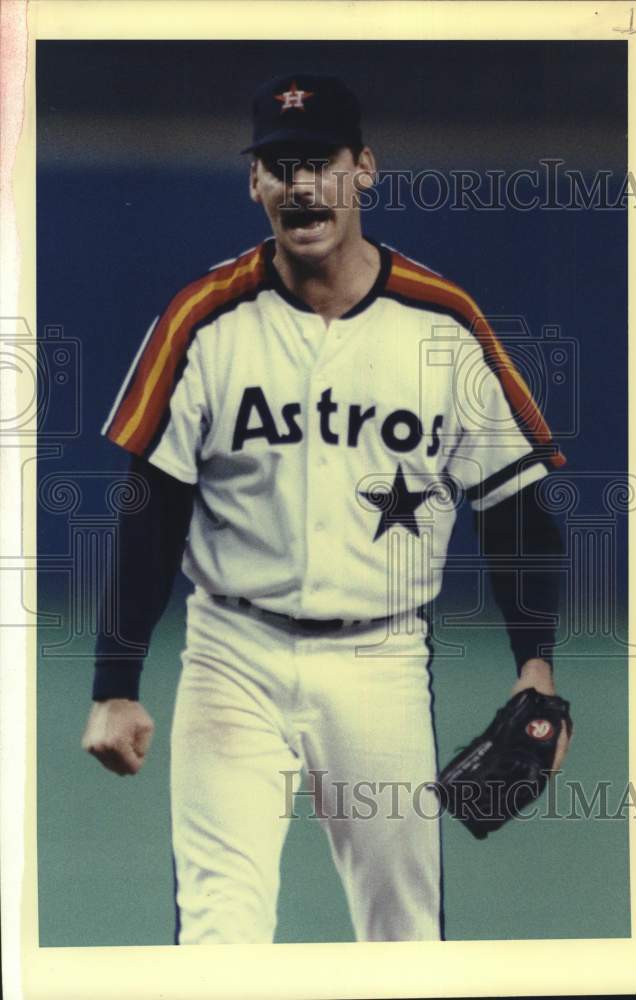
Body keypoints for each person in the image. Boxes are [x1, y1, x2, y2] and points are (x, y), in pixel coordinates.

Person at [81, 72, 570, 944]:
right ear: (254, 184)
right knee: (219, 937)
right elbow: (148, 507)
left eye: (321, 163)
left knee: (404, 940)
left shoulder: (442, 325)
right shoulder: (203, 321)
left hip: (379, 663)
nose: (301, 185)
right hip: (233, 656)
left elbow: (517, 506)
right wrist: (115, 687)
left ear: (364, 171)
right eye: (280, 166)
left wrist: (536, 663)